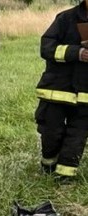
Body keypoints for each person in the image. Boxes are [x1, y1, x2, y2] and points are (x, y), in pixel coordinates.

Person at [36, 1, 88, 180]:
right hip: (56, 91)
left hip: (85, 96)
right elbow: (46, 48)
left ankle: (65, 176)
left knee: (77, 136)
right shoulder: (66, 18)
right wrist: (77, 53)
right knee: (51, 132)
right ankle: (48, 166)